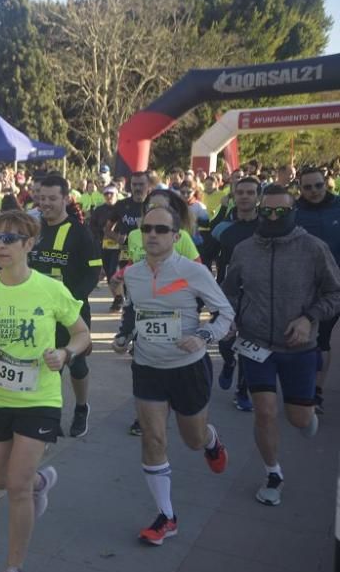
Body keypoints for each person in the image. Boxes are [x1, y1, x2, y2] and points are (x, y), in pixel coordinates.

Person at [0, 210, 90, 572]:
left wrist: (66, 353)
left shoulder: (50, 289)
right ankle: (38, 484)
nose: (1, 244)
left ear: (29, 245)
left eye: (11, 238)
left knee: (14, 487)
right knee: (0, 480)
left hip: (40, 398)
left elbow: (83, 333)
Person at [112, 205, 231, 546]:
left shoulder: (192, 271)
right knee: (153, 438)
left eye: (161, 230)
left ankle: (210, 440)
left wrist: (205, 336)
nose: (152, 234)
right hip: (148, 366)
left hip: (187, 367)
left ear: (176, 237)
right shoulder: (132, 273)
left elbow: (225, 312)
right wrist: (124, 335)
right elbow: (134, 309)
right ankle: (166, 516)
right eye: (147, 228)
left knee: (191, 439)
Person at [222, 185, 340, 506]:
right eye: (268, 212)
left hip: (299, 348)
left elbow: (334, 292)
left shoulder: (313, 248)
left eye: (281, 212)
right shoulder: (244, 250)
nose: (274, 217)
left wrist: (308, 318)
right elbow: (230, 292)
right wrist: (229, 318)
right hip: (256, 343)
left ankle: (306, 416)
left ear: (293, 212)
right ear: (260, 212)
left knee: (299, 420)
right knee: (264, 411)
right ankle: (273, 473)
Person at [29, 174, 101, 438]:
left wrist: (68, 303)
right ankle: (51, 414)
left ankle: (82, 408)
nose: (45, 203)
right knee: (49, 363)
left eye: (52, 198)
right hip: (39, 314)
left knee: (76, 364)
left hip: (72, 313)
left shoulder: (80, 232)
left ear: (65, 199)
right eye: (41, 197)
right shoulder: (33, 229)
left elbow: (94, 273)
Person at [211, 176, 261, 412]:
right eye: (240, 192)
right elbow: (205, 255)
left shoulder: (266, 227)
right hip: (226, 294)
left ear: (258, 197)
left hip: (256, 295)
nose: (245, 196)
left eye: (250, 192)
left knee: (250, 346)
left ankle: (242, 392)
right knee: (225, 341)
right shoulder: (223, 226)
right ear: (234, 195)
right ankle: (229, 363)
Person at [295, 165, 340, 414]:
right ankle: (316, 392)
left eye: (318, 185)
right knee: (320, 339)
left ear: (327, 183)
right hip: (315, 288)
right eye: (308, 187)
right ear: (300, 188)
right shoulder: (295, 212)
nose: (313, 191)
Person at [105, 171, 153, 311]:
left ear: (148, 185)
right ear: (130, 186)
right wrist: (116, 237)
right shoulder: (121, 205)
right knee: (125, 281)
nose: (137, 188)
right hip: (126, 250)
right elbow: (107, 229)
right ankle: (125, 303)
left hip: (150, 251)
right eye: (134, 184)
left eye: (141, 184)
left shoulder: (154, 204)